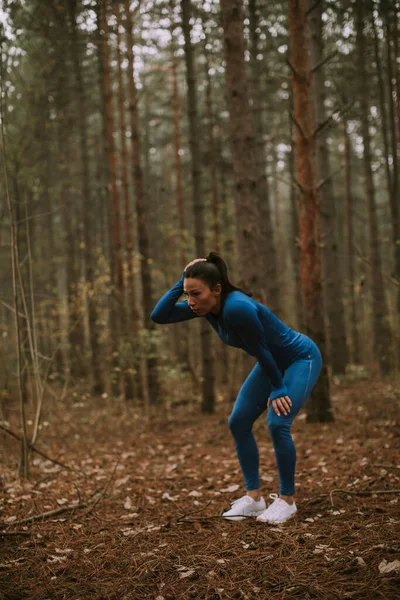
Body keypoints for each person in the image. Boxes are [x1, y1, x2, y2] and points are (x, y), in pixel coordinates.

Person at [150, 252, 322, 524]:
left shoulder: (237, 308)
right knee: (238, 422)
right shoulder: (206, 307)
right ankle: (254, 500)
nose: (191, 302)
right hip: (271, 362)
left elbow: (261, 348)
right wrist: (182, 279)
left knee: (277, 423)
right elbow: (159, 316)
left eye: (196, 294)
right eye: (187, 295)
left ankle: (287, 501)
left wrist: (278, 388)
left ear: (217, 290)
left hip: (300, 358)